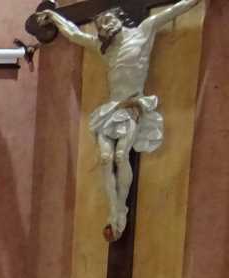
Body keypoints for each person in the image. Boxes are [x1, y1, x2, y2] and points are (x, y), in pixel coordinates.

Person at [35, 0, 202, 241]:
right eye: (101, 25)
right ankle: (113, 209)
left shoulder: (144, 31)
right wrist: (53, 16)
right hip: (111, 109)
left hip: (131, 105)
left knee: (122, 155)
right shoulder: (104, 48)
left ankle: (120, 210)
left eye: (108, 20)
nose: (105, 26)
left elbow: (175, 10)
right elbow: (73, 34)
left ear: (120, 18)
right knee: (105, 158)